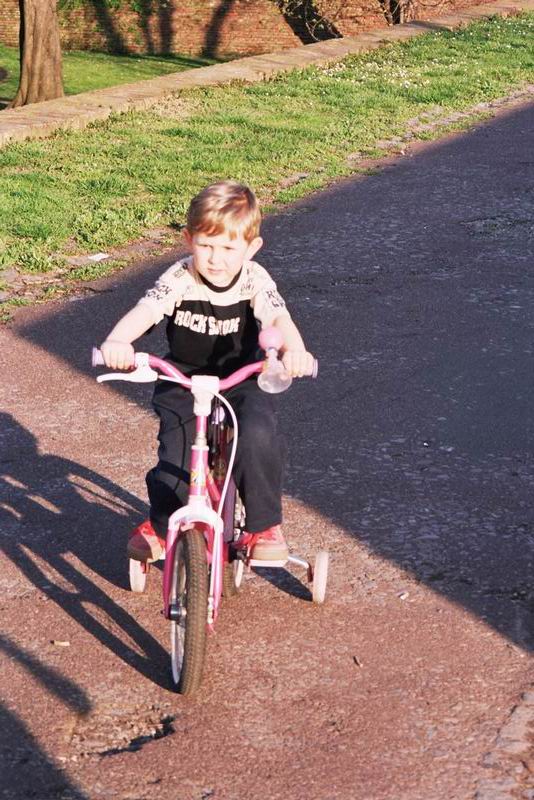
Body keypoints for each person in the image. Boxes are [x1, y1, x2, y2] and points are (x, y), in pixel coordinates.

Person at [100, 180, 315, 563]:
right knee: (178, 455)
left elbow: (277, 318)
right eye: (206, 245)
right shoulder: (180, 277)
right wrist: (118, 341)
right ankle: (163, 524)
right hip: (183, 378)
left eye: (229, 248)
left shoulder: (254, 279)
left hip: (243, 377)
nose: (216, 259)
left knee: (257, 435)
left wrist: (294, 351)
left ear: (251, 247)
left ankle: (264, 526)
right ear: (188, 240)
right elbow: (146, 311)